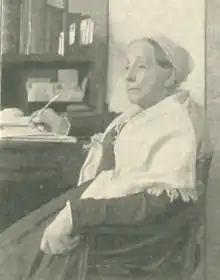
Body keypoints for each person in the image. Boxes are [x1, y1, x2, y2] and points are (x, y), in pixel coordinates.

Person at [0, 35, 211, 280]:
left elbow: (158, 203)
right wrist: (63, 124)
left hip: (129, 242)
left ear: (170, 76)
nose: (129, 76)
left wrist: (78, 214)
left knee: (19, 251)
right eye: (127, 66)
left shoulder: (175, 125)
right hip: (107, 211)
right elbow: (112, 124)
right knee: (15, 241)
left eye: (141, 67)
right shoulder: (152, 113)